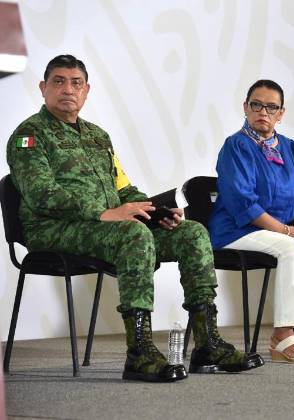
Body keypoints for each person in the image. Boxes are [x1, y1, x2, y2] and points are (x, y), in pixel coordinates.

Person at [6, 55, 263, 382]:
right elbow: (41, 193)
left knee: (192, 233)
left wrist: (152, 212)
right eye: (59, 82)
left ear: (86, 91)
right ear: (43, 88)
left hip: (106, 228)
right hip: (53, 230)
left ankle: (207, 344)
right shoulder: (29, 136)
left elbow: (123, 188)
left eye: (76, 83)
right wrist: (106, 214)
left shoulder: (98, 137)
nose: (68, 89)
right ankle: (139, 352)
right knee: (133, 234)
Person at [209, 80, 294, 364]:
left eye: (271, 107)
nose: (263, 112)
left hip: (281, 232)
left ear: (281, 113)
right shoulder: (236, 146)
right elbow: (243, 201)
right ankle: (282, 336)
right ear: (245, 107)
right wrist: (286, 231)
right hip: (237, 231)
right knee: (292, 248)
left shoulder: (289, 147)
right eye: (257, 105)